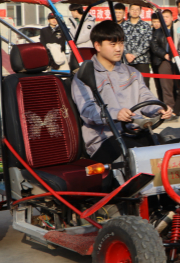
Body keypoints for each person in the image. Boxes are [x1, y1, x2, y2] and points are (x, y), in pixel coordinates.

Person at [72, 21, 173, 167]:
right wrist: (115, 114)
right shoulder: (85, 76)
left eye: (121, 43)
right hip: (104, 139)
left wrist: (158, 109)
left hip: (134, 131)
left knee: (166, 149)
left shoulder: (131, 72)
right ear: (97, 46)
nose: (119, 49)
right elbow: (88, 111)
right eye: (113, 44)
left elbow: (145, 97)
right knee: (134, 156)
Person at [150, 9, 176, 115]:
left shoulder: (176, 30)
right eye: (163, 17)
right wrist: (164, 55)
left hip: (177, 60)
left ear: (172, 18)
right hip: (163, 60)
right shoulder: (158, 31)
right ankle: (168, 109)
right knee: (166, 86)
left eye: (167, 17)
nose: (165, 19)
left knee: (177, 85)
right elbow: (154, 46)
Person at [122, 3, 153, 87]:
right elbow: (121, 42)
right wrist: (127, 54)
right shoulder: (123, 26)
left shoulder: (146, 26)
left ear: (140, 11)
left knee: (144, 86)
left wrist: (135, 54)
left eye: (137, 9)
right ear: (129, 10)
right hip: (127, 61)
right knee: (129, 87)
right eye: (133, 9)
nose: (135, 11)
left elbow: (147, 42)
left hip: (142, 61)